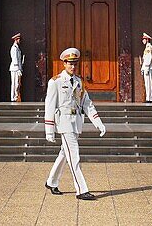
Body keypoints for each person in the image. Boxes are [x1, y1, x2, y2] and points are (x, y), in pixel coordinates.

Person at [43, 47, 106, 200]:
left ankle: (51, 182)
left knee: (64, 154)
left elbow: (87, 104)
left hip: (76, 122)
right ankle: (81, 190)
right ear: (63, 63)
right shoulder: (55, 82)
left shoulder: (79, 82)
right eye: (69, 63)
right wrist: (49, 130)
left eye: (74, 64)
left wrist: (98, 122)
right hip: (64, 123)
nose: (72, 66)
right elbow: (49, 105)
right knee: (74, 156)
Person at [9, 32, 24, 102]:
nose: (19, 41)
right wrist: (18, 69)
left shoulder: (17, 48)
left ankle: (16, 96)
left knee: (17, 83)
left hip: (18, 68)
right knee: (15, 83)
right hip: (15, 69)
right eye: (18, 39)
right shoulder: (14, 48)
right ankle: (13, 97)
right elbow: (15, 59)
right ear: (16, 40)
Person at [141, 33, 152, 103]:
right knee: (147, 84)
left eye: (143, 39)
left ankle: (150, 98)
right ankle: (148, 98)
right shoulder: (147, 47)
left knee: (149, 83)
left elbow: (149, 58)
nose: (142, 41)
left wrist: (146, 67)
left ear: (147, 40)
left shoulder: (149, 47)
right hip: (146, 67)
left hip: (148, 68)